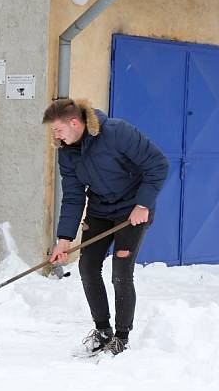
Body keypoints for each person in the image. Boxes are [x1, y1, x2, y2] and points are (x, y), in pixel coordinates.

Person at [45, 98, 169, 356]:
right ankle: (103, 331)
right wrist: (64, 239)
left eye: (58, 129)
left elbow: (157, 164)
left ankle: (122, 337)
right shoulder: (67, 152)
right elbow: (73, 196)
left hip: (132, 210)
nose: (55, 135)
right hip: (101, 210)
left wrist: (143, 204)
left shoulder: (116, 132)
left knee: (121, 272)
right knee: (87, 267)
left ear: (75, 122)